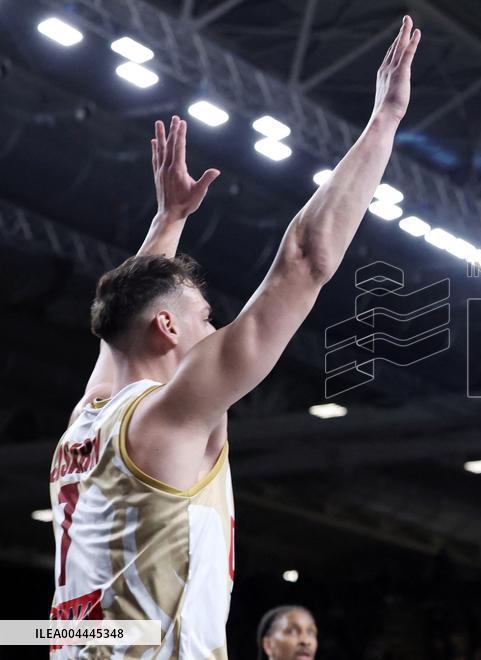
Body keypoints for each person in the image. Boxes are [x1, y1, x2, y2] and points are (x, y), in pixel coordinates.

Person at [47, 16, 421, 658]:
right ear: (167, 328)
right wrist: (384, 121)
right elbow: (303, 259)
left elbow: (125, 327)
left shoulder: (89, 419)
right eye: (203, 317)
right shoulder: (167, 419)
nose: (214, 329)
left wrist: (167, 222)